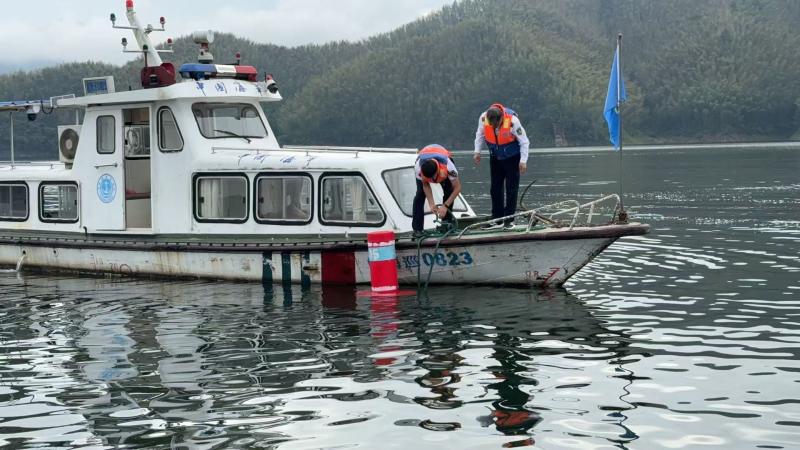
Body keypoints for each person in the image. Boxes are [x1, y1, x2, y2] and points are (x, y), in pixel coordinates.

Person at [473, 103, 530, 230]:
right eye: (492, 125)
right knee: (495, 189)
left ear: (501, 118)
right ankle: (497, 219)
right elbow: (480, 134)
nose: (495, 127)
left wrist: (523, 161)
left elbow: (524, 141)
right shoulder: (483, 118)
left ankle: (509, 220)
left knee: (511, 189)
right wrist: (477, 151)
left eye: (497, 125)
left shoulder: (513, 121)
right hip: (495, 157)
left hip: (512, 158)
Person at [412, 144, 462, 236]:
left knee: (449, 191)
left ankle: (446, 224)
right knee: (420, 195)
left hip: (442, 159)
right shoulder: (418, 168)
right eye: (427, 178)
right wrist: (431, 204)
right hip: (425, 155)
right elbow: (425, 185)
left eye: (432, 178)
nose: (431, 181)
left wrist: (445, 206)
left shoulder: (449, 166)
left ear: (437, 171)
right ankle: (417, 229)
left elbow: (457, 188)